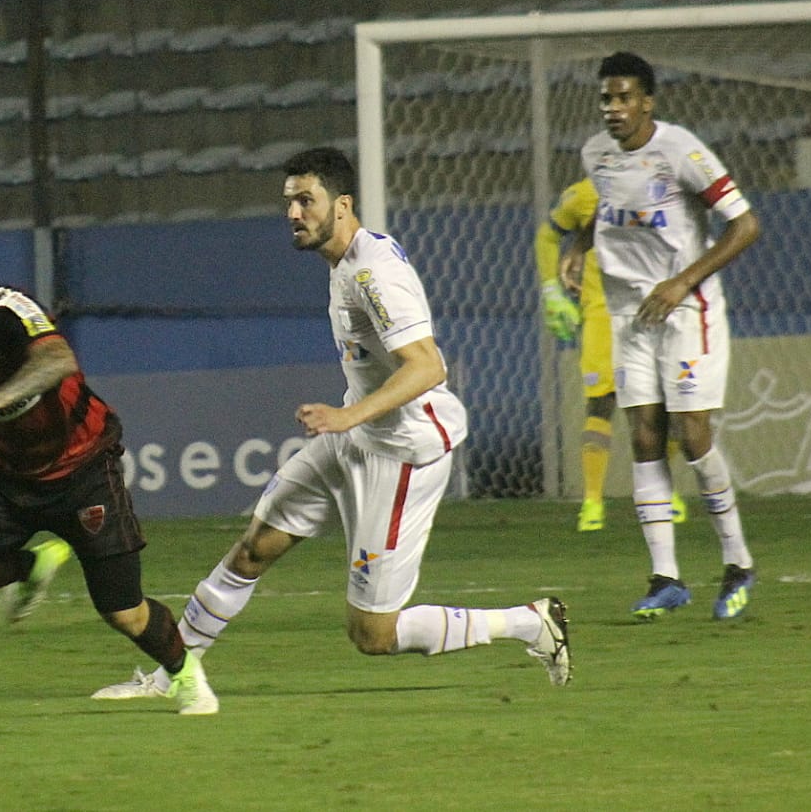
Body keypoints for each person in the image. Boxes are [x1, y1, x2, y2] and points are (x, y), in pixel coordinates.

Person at [92, 147, 571, 709]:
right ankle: (173, 673)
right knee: (253, 548)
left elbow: (428, 366)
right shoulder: (343, 263)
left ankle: (530, 622)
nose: (294, 213)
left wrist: (345, 416)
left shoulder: (374, 274)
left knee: (374, 635)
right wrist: (349, 422)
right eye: (289, 202)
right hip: (356, 439)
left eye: (305, 201)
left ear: (342, 205)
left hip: (401, 453)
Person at [0, 225, 217, 716]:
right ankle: (33, 565)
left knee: (124, 612)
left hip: (82, 463)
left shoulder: (8, 310)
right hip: (1, 471)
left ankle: (185, 677)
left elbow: (58, 359)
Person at [559, 52, 759, 621]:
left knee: (692, 434)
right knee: (644, 436)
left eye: (624, 98)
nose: (614, 109)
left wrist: (681, 281)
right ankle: (666, 577)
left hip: (686, 312)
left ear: (648, 101)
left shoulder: (681, 151)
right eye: (606, 99)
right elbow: (608, 214)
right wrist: (579, 247)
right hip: (628, 317)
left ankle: (737, 561)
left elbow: (745, 225)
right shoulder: (595, 155)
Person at [535, 179, 687, 532]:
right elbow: (547, 236)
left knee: (674, 403)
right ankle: (592, 502)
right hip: (602, 316)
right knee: (601, 403)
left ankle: (662, 491)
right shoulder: (581, 194)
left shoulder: (663, 189)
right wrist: (551, 292)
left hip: (653, 310)